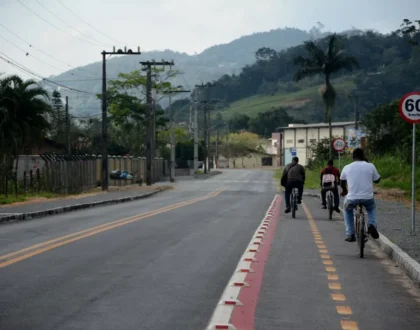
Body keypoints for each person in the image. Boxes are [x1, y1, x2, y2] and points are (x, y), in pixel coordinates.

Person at [340, 148, 380, 242]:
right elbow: (377, 180)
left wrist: (345, 190)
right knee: (371, 208)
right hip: (368, 198)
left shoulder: (347, 167)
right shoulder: (370, 166)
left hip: (352, 198)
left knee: (347, 209)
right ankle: (371, 225)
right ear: (363, 156)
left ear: (353, 157)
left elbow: (341, 182)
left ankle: (350, 233)